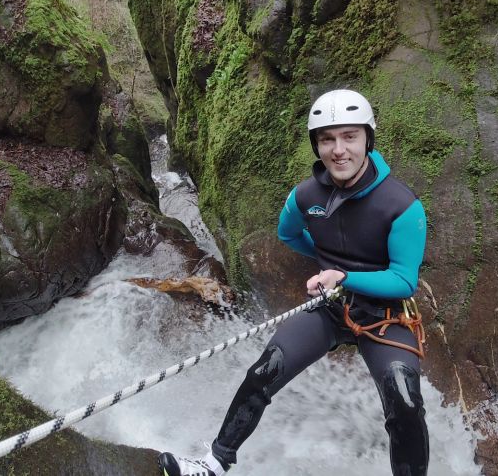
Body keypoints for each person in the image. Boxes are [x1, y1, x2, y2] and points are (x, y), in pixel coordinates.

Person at [159, 89, 429, 476]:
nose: (338, 149)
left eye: (349, 136)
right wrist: (324, 262)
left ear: (368, 138)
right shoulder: (305, 196)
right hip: (330, 309)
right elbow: (289, 235)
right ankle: (215, 462)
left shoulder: (401, 206)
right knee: (264, 370)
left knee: (404, 403)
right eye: (326, 139)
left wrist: (342, 275)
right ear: (316, 145)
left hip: (385, 317)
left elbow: (404, 281)